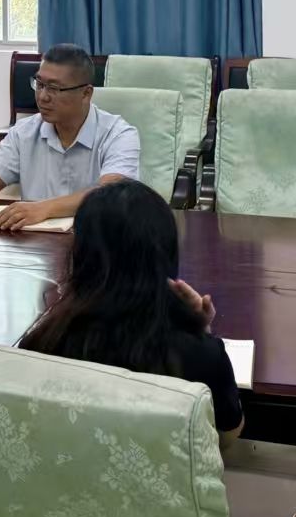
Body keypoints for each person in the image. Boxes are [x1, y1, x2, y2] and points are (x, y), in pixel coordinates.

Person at [19, 180, 242, 445]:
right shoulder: (201, 355)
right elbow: (226, 438)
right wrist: (201, 331)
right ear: (167, 253)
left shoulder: (43, 343)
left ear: (81, 255)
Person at [0, 43, 139, 230]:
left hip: (98, 239)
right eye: (39, 84)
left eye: (54, 88)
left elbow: (111, 194)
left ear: (86, 93)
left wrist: (45, 209)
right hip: (36, 243)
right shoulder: (24, 132)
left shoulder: (118, 134)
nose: (42, 97)